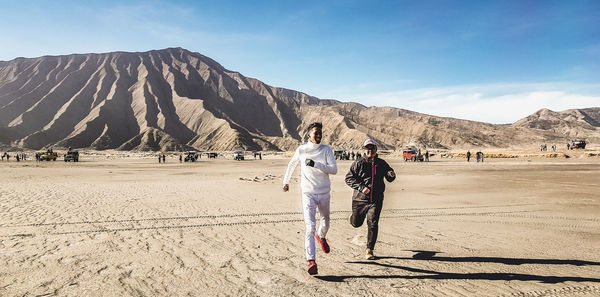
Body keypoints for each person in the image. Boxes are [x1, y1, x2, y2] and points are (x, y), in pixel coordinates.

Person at [282, 122, 337, 275]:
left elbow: (334, 170)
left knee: (326, 222)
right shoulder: (302, 150)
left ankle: (322, 236)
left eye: (320, 133)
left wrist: (316, 164)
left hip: (324, 192)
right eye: (315, 133)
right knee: (310, 227)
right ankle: (311, 261)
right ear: (308, 135)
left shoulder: (326, 150)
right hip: (308, 193)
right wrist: (285, 181)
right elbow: (292, 164)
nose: (318, 135)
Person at [345, 139, 396, 260]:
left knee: (373, 223)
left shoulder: (382, 163)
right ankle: (352, 218)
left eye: (372, 148)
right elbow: (349, 179)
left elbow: (389, 177)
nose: (370, 150)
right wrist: (362, 188)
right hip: (360, 200)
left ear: (376, 149)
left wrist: (391, 174)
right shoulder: (358, 163)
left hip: (376, 200)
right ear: (364, 150)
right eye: (367, 148)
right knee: (356, 223)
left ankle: (369, 249)